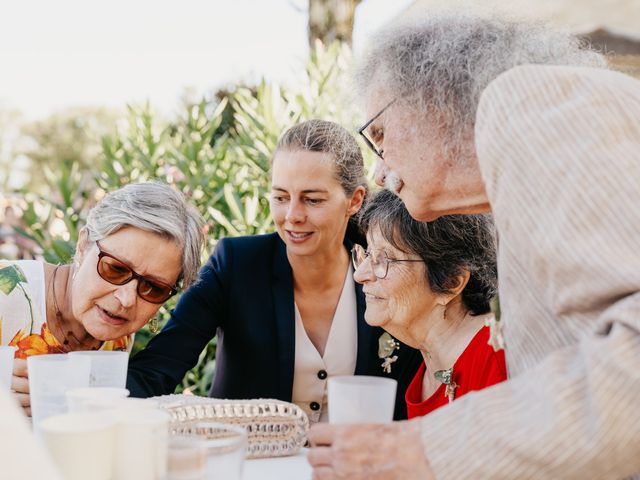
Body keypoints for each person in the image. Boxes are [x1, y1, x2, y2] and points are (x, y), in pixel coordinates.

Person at [307, 15, 640, 480]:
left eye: (380, 136)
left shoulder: (528, 101)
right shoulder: (511, 201)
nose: (380, 172)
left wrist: (426, 450)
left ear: (435, 101)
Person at [127, 120, 422, 423]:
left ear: (355, 199)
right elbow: (158, 368)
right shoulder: (234, 265)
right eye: (281, 197)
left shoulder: (389, 272)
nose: (292, 216)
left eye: (312, 199)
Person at [1, 182, 204, 416]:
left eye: (153, 288)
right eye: (115, 269)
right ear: (83, 245)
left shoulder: (116, 331)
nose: (127, 299)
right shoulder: (6, 290)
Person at [352, 189, 503, 418]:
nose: (360, 275)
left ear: (451, 281)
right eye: (367, 253)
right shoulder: (426, 366)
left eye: (384, 259)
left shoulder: (496, 357)